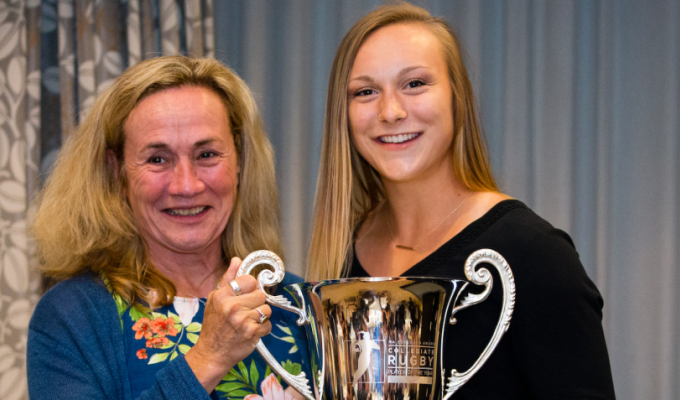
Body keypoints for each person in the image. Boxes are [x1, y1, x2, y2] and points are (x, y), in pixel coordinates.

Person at [307, 3, 616, 399]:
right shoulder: (343, 255)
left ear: (458, 98)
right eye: (365, 92)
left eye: (414, 83)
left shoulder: (534, 255)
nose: (390, 111)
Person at [28, 56, 309, 400]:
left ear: (240, 161)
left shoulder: (297, 305)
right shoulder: (72, 318)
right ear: (117, 173)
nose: (186, 186)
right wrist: (209, 357)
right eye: (158, 159)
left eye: (206, 154)